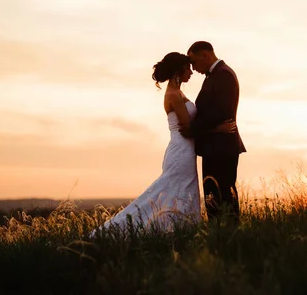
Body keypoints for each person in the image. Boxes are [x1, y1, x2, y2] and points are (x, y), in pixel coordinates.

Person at [96, 52, 235, 234]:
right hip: (181, 151)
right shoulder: (174, 95)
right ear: (179, 71)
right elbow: (187, 127)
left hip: (186, 150)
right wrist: (218, 129)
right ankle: (133, 228)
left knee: (183, 191)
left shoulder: (178, 92)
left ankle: (180, 229)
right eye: (187, 69)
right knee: (174, 190)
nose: (191, 72)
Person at [181, 41, 246, 224]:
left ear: (205, 55)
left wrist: (192, 130)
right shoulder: (214, 75)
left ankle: (229, 235)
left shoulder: (223, 75)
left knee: (223, 195)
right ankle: (218, 233)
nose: (193, 68)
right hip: (214, 144)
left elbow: (221, 112)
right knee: (213, 196)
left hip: (222, 146)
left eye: (194, 62)